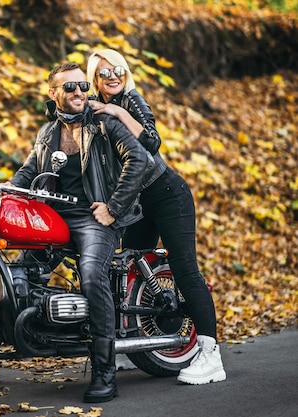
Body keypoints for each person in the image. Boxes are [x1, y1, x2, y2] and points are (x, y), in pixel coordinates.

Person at [0, 62, 149, 403]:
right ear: (53, 93)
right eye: (70, 87)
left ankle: (105, 372)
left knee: (91, 275)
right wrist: (0, 192)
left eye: (82, 87)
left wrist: (113, 207)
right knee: (10, 276)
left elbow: (139, 158)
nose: (78, 93)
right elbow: (29, 171)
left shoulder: (104, 125)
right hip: (53, 220)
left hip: (95, 219)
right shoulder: (48, 132)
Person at [85, 48, 226, 385]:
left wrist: (117, 111)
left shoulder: (131, 99)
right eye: (104, 73)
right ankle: (128, 346)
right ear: (94, 80)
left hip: (167, 194)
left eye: (117, 68)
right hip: (138, 204)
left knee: (184, 269)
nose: (113, 76)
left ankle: (210, 355)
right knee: (126, 269)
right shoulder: (93, 109)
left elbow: (152, 141)